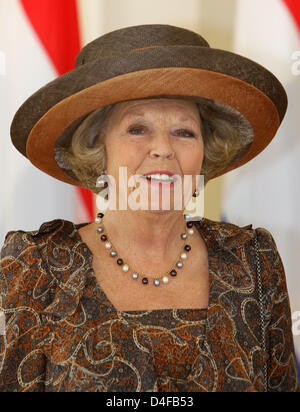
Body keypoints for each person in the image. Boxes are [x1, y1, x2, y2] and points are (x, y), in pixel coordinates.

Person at [0, 24, 298, 392]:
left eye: (184, 132)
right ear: (97, 148)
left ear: (206, 150)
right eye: (137, 129)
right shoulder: (37, 265)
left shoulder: (254, 260)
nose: (163, 149)